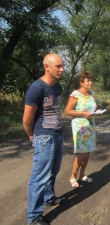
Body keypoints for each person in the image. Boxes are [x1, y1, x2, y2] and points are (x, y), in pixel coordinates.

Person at [23, 54, 67, 225]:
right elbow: (27, 119)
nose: (62, 69)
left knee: (53, 171)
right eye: (58, 66)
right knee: (39, 177)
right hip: (44, 136)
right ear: (46, 67)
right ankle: (34, 217)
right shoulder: (36, 88)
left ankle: (49, 198)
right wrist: (32, 135)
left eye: (62, 66)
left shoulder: (58, 87)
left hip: (58, 134)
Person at [65, 71, 98, 188]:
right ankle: (72, 176)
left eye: (91, 80)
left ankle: (82, 175)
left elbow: (92, 107)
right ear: (81, 82)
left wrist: (95, 112)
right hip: (80, 126)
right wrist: (83, 113)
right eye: (87, 81)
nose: (90, 83)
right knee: (81, 154)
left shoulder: (91, 94)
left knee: (87, 153)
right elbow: (68, 111)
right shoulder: (75, 94)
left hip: (90, 125)